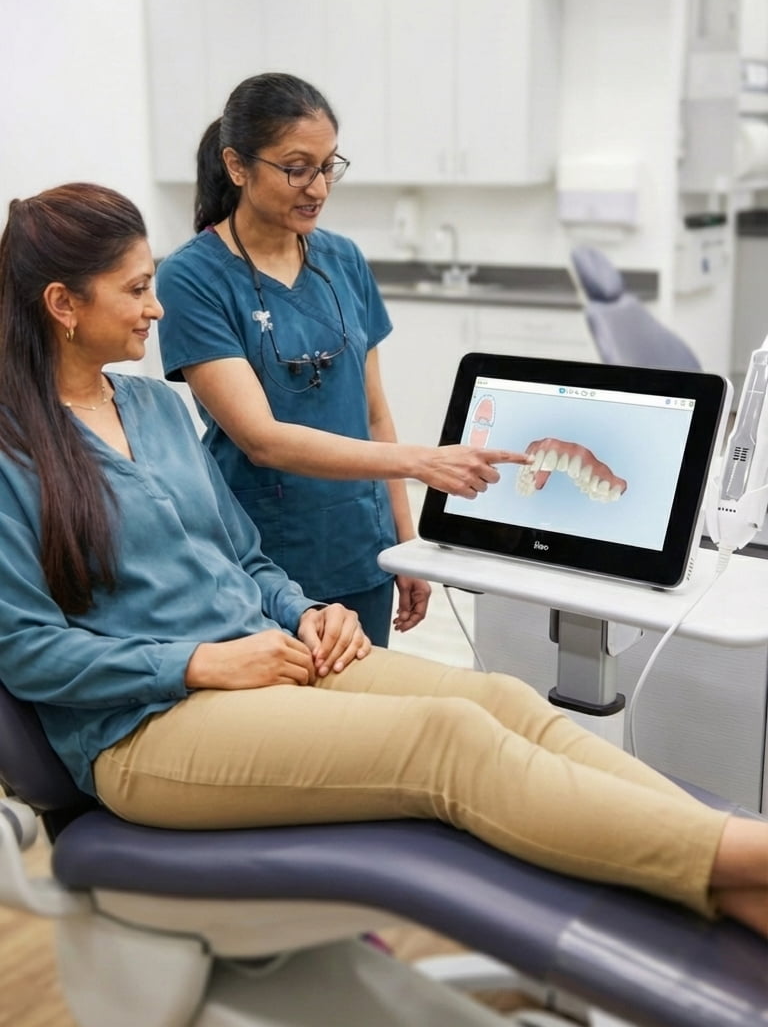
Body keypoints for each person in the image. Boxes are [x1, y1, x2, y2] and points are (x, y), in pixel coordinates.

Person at [0, 183, 767, 940]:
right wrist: (196, 664)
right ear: (64, 305)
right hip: (147, 728)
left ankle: (727, 870)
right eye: (136, 289)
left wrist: (305, 611)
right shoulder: (13, 454)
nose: (156, 308)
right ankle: (745, 856)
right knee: (449, 743)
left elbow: (243, 556)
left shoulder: (157, 410)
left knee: (498, 700)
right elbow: (27, 650)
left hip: (274, 656)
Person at [156, 72, 528, 647]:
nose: (318, 188)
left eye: (328, 166)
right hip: (265, 561)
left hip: (361, 547)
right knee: (293, 730)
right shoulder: (192, 278)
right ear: (237, 166)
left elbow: (374, 411)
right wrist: (421, 462)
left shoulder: (343, 260)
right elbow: (262, 439)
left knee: (365, 720)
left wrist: (408, 544)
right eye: (296, 167)